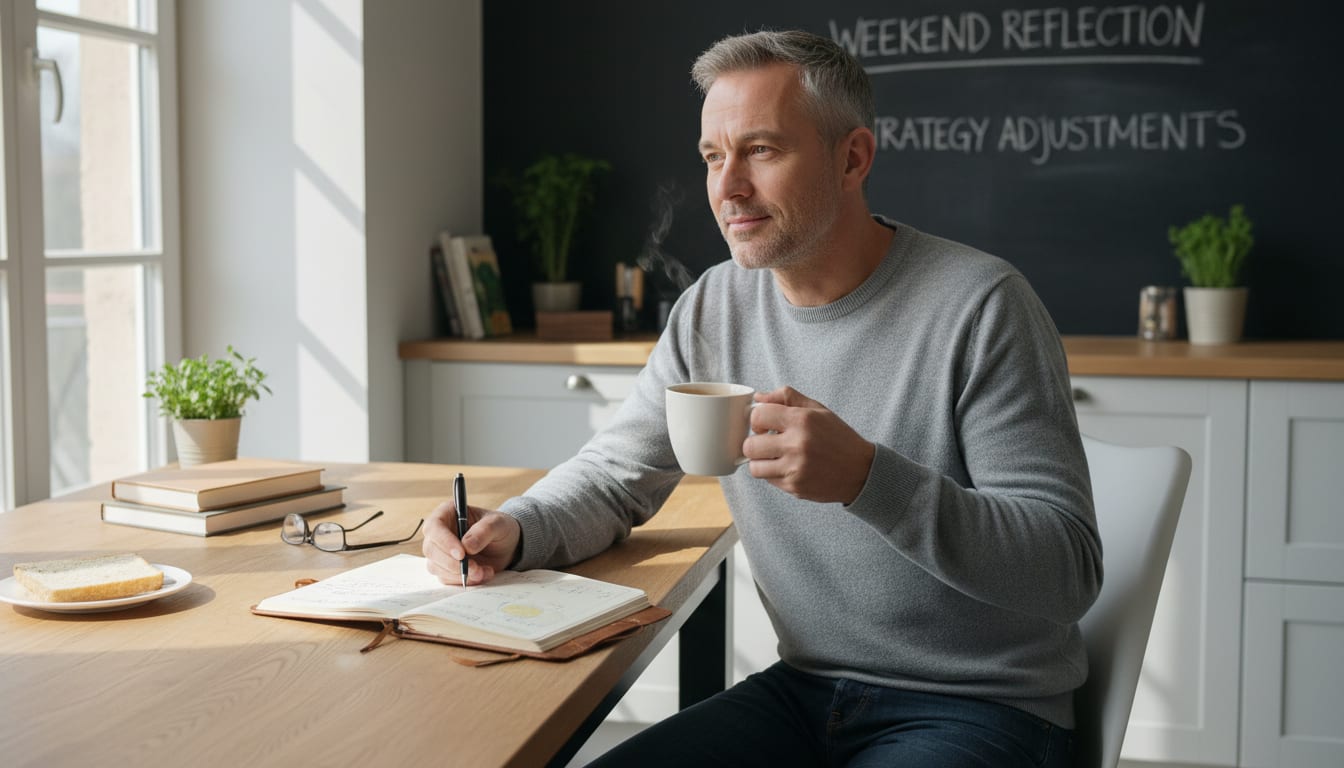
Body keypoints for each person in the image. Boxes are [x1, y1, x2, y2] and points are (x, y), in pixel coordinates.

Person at [423, 29, 1100, 768]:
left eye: (762, 151)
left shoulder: (981, 305)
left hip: (982, 709)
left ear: (853, 157)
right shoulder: (715, 305)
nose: (727, 187)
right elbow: (617, 475)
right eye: (714, 156)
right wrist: (515, 528)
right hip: (803, 692)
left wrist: (872, 480)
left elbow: (1065, 570)